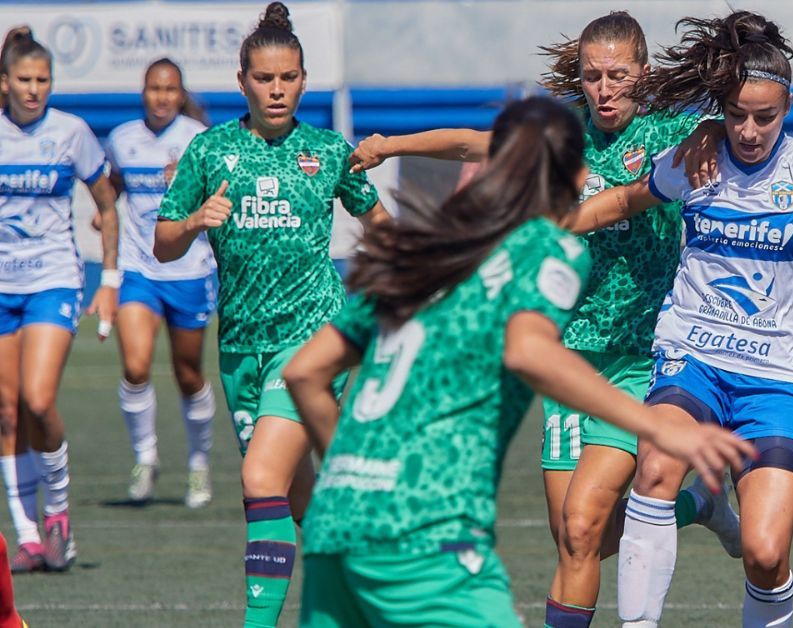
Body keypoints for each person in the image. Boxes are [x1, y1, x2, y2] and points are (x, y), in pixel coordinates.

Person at [286, 95, 755, 628]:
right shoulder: (545, 247)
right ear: (572, 174)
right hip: (426, 526)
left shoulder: (423, 251)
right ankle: (697, 507)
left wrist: (348, 470)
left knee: (579, 530)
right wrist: (657, 427)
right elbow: (529, 351)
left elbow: (304, 372)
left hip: (336, 523)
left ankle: (695, 508)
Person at [564, 11, 793, 626]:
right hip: (693, 361)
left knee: (764, 553)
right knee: (655, 470)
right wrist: (549, 226)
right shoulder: (697, 159)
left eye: (765, 116)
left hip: (774, 382)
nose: (750, 130)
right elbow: (626, 199)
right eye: (736, 115)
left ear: (787, 107)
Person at [153, 4, 389, 625]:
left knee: (260, 479)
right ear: (242, 82)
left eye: (288, 78)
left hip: (312, 341)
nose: (277, 89)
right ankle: (374, 591)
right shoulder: (210, 150)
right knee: (295, 497)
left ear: (304, 81)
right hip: (240, 349)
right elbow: (163, 242)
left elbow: (380, 225)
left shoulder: (327, 150)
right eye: (264, 78)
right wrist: (194, 221)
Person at [0, 25, 120, 573]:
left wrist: (110, 279)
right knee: (7, 413)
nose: (34, 90)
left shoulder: (72, 132)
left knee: (38, 400)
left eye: (43, 80)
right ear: (5, 82)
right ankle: (28, 537)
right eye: (24, 79)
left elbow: (107, 204)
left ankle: (58, 513)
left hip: (53, 278)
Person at [99, 58, 216, 507]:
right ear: (143, 92)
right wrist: (105, 212)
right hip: (139, 268)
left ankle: (199, 464)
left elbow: (220, 197)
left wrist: (188, 185)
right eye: (154, 88)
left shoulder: (198, 139)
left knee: (188, 375)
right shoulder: (123, 138)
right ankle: (145, 458)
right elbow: (112, 185)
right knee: (135, 367)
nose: (161, 97)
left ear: (180, 95)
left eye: (169, 89)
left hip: (189, 271)